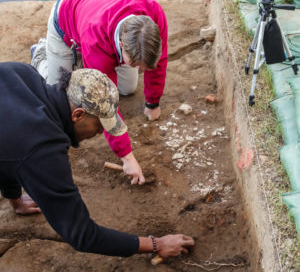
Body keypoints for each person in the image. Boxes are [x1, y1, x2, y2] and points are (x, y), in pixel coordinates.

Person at [0, 62, 194, 258]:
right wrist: (156, 244)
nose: (101, 131)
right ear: (78, 115)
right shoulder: (42, 149)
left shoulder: (21, 73)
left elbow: (9, 151)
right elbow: (82, 234)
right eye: (100, 124)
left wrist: (15, 199)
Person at [32, 0, 168, 185]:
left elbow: (159, 60)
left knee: (128, 88)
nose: (140, 69)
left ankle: (81, 61)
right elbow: (104, 105)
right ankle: (41, 53)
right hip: (67, 18)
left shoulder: (154, 14)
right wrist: (127, 158)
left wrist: (153, 102)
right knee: (60, 92)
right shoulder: (96, 41)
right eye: (136, 64)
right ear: (122, 45)